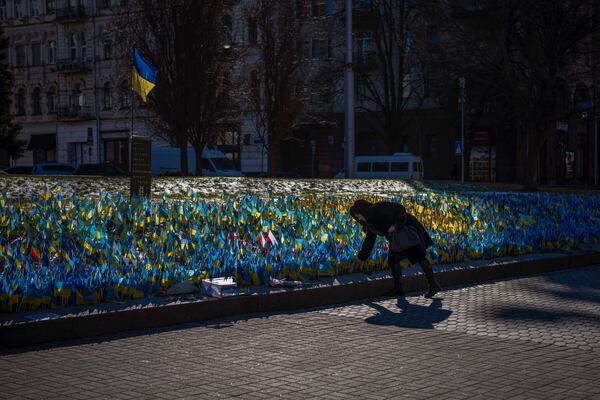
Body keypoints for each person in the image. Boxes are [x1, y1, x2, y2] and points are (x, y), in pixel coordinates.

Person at [349, 199, 442, 298]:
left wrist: (395, 225)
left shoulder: (379, 207)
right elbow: (369, 240)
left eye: (358, 215)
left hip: (408, 230)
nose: (358, 218)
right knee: (393, 260)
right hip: (397, 238)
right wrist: (362, 256)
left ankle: (433, 285)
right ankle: (398, 289)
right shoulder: (370, 223)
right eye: (356, 216)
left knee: (420, 256)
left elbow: (401, 209)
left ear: (364, 211)